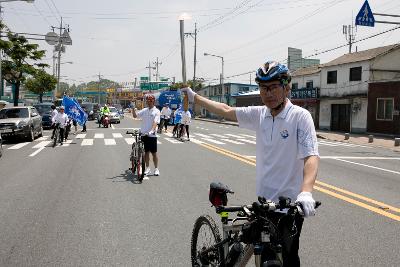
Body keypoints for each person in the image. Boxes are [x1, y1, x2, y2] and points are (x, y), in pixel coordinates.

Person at [181, 61, 319, 266]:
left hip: (289, 207)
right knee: (260, 254)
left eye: (273, 87)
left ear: (286, 87)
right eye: (263, 88)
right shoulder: (259, 114)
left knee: (288, 258)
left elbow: (311, 157)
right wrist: (195, 98)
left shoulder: (300, 117)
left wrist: (306, 191)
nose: (268, 93)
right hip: (263, 203)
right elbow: (226, 109)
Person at [132, 94, 161, 176]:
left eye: (151, 100)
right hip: (143, 134)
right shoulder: (144, 110)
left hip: (151, 135)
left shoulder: (157, 111)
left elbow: (155, 122)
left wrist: (151, 131)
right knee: (146, 152)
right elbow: (135, 116)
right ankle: (147, 168)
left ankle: (156, 169)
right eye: (148, 100)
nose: (149, 102)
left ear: (154, 101)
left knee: (154, 153)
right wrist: (133, 108)